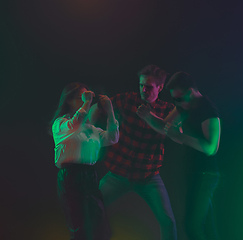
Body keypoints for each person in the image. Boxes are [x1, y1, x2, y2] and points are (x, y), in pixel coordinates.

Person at [89, 65, 177, 240]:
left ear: (160, 87)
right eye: (141, 85)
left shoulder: (168, 109)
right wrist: (89, 132)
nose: (144, 90)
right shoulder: (128, 100)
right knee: (91, 209)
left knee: (168, 221)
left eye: (149, 86)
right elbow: (98, 107)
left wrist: (149, 117)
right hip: (118, 174)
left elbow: (172, 132)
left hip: (148, 176)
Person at [137, 71, 221, 240]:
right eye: (174, 99)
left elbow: (211, 147)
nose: (178, 103)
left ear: (191, 92)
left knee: (193, 226)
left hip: (206, 174)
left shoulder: (207, 110)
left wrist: (180, 136)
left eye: (180, 98)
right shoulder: (185, 106)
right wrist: (148, 117)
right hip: (194, 172)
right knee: (205, 226)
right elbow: (166, 127)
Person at [51, 82, 119, 240]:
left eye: (87, 96)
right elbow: (75, 123)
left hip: (89, 177)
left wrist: (110, 111)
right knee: (78, 228)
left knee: (101, 227)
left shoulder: (91, 129)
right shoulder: (60, 124)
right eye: (81, 97)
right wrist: (87, 102)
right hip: (70, 176)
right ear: (69, 100)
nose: (86, 99)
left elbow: (112, 138)